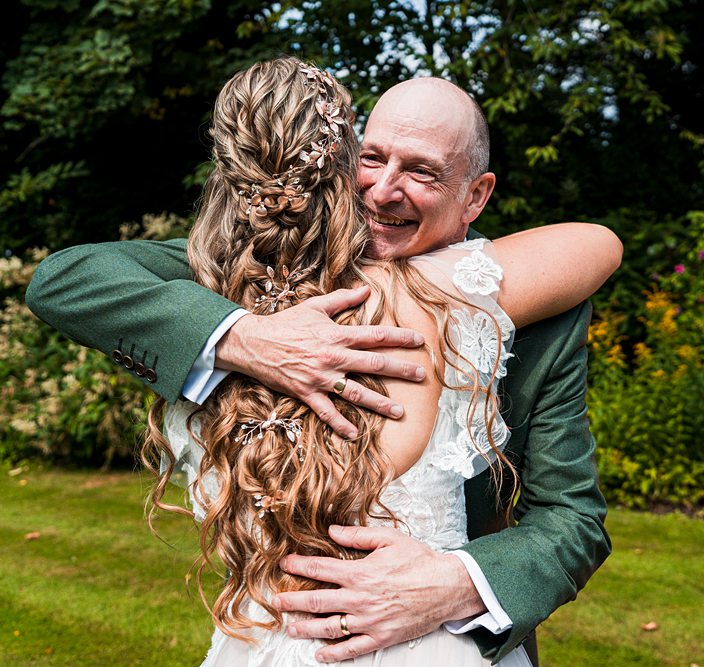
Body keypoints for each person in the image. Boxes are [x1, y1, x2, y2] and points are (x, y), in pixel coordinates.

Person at [26, 61, 613, 664]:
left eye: (422, 172)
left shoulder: (531, 303)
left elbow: (573, 520)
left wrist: (455, 584)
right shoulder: (246, 272)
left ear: (476, 196)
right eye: (373, 158)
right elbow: (64, 279)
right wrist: (248, 339)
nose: (385, 190)